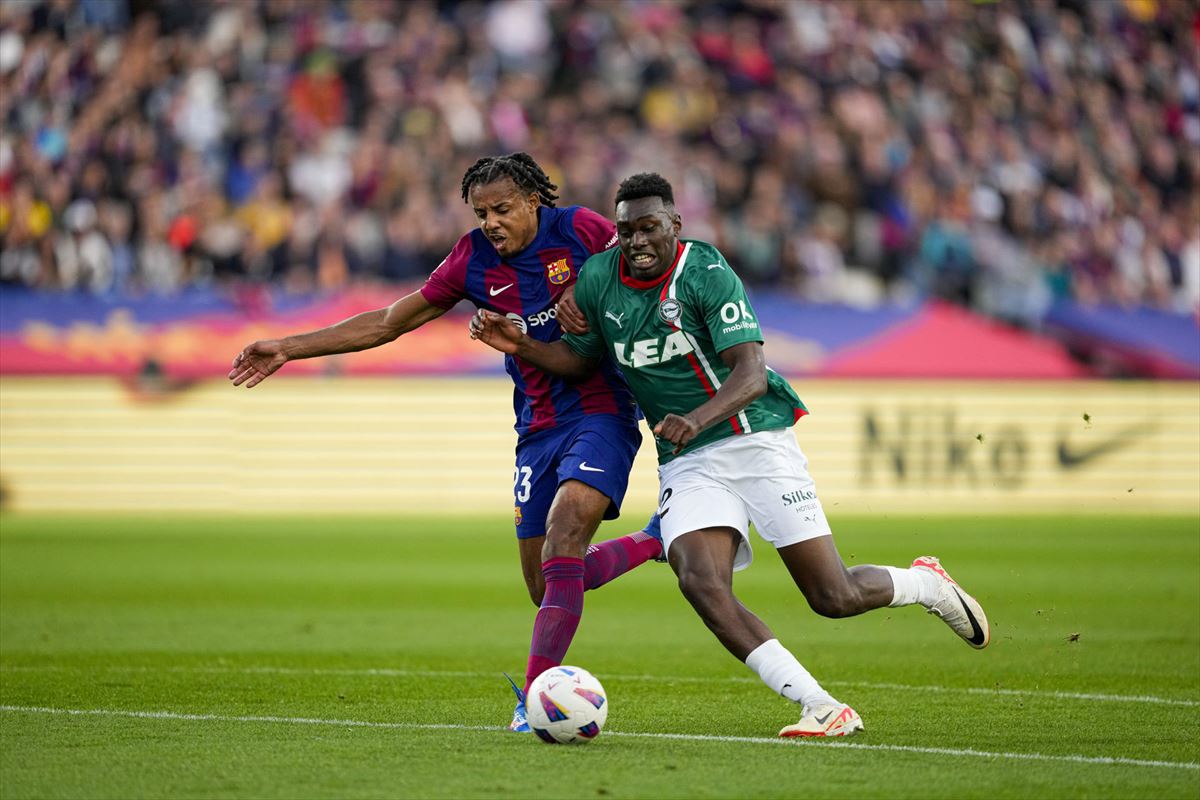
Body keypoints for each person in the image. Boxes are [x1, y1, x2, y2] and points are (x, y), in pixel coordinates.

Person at [470, 172, 990, 738]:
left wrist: (694, 418)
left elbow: (753, 373)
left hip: (755, 440)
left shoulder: (704, 269)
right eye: (626, 232)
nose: (638, 242)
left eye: (650, 228)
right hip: (688, 459)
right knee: (700, 580)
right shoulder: (598, 278)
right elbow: (580, 360)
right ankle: (820, 705)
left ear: (675, 224)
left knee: (832, 596)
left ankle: (926, 584)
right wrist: (524, 346)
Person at [228, 153, 664, 731]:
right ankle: (658, 539)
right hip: (535, 427)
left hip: (601, 410)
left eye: (502, 209)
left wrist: (602, 305)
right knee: (547, 584)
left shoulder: (583, 230)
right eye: (481, 211)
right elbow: (387, 320)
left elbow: (651, 273)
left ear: (535, 200)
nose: (490, 222)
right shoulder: (473, 258)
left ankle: (535, 699)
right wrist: (290, 346)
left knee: (565, 533)